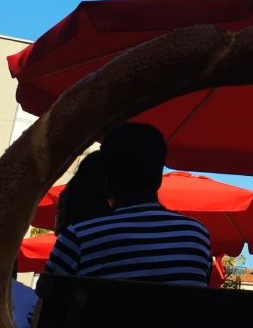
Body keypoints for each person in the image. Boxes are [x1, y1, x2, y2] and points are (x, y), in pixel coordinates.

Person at [43, 123, 211, 286]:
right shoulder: (197, 236)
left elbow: (44, 306)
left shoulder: (78, 237)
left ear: (107, 179)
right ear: (159, 178)